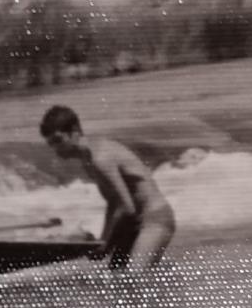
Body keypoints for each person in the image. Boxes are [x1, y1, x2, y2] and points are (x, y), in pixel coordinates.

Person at [39, 105, 175, 272]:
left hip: (154, 219)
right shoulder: (87, 160)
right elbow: (113, 202)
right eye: (51, 143)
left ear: (75, 131)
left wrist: (107, 243)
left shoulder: (100, 158)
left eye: (58, 140)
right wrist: (104, 240)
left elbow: (127, 207)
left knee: (134, 278)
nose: (56, 148)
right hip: (134, 222)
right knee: (117, 276)